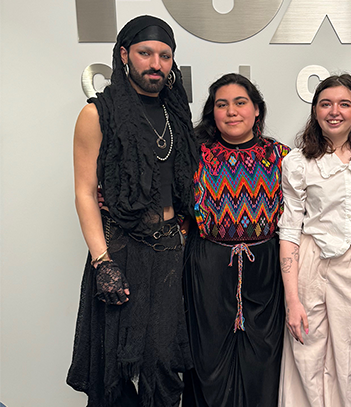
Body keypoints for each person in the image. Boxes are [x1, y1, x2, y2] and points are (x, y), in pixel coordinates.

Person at [67, 15, 198, 407]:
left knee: (161, 361)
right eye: (145, 53)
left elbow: (181, 183)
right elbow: (86, 192)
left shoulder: (177, 115)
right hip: (119, 248)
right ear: (125, 55)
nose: (155, 63)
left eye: (164, 55)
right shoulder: (98, 113)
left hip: (171, 251)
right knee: (115, 367)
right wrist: (101, 261)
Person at [276, 74, 351, 407]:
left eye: (344, 104)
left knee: (350, 361)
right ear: (315, 111)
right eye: (325, 104)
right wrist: (292, 300)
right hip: (309, 261)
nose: (334, 111)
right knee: (305, 354)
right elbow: (290, 230)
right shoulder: (297, 162)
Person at [182, 73, 290, 407]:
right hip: (208, 267)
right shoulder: (193, 155)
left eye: (240, 103)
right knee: (208, 360)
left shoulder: (284, 157)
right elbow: (159, 195)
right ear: (212, 113)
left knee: (264, 361)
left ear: (257, 110)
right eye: (222, 104)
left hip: (266, 270)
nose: (231, 112)